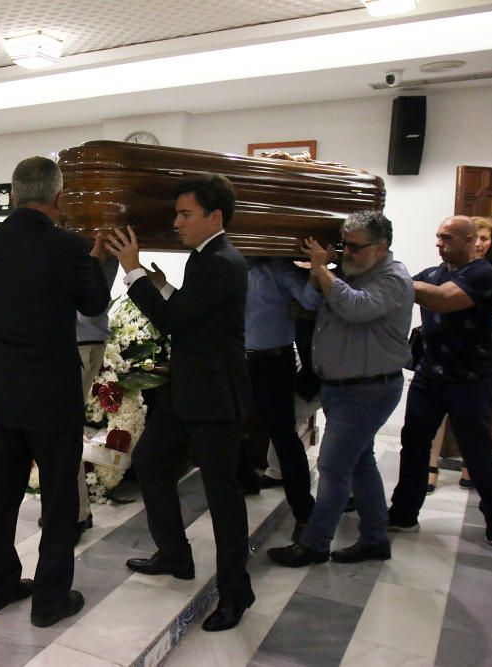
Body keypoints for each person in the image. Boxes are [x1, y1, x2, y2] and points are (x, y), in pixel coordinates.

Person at [106, 173, 254, 633]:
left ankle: (236, 592)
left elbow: (172, 321)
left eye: (185, 213)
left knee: (222, 495)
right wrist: (162, 285)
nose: (176, 222)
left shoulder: (222, 261)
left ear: (215, 217)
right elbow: (193, 313)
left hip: (213, 396)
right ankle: (175, 554)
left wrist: (131, 269)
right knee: (151, 463)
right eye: (176, 213)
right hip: (189, 390)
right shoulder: (206, 258)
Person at [0, 156, 110, 628]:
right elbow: (92, 302)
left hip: (5, 392)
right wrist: (97, 258)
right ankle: (49, 599)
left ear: (12, 193)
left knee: (1, 491)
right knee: (58, 499)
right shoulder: (68, 247)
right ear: (58, 198)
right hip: (52, 395)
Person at [268, 210, 413, 567]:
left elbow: (355, 308)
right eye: (343, 245)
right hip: (341, 387)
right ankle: (375, 538)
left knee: (333, 467)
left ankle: (315, 544)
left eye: (354, 247)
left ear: (381, 248)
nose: (345, 253)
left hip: (368, 390)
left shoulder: (393, 278)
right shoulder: (353, 271)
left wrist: (320, 269)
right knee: (360, 463)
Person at [388, 215, 492, 546]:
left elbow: (442, 298)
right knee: (413, 443)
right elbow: (405, 290)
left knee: (477, 451)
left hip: (470, 379)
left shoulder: (485, 275)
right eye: (438, 237)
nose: (439, 243)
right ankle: (404, 512)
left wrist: (389, 276)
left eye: (447, 238)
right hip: (431, 375)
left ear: (470, 241)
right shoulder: (433, 272)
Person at [243, 257, 322, 537]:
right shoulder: (227, 266)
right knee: (231, 426)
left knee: (284, 437)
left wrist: (316, 270)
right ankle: (246, 480)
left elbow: (311, 300)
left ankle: (305, 513)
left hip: (272, 362)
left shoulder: (278, 268)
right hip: (238, 361)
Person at [73, 254, 120, 539]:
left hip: (75, 341)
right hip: (93, 337)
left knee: (63, 431)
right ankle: (79, 510)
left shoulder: (73, 246)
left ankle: (76, 513)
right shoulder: (101, 245)